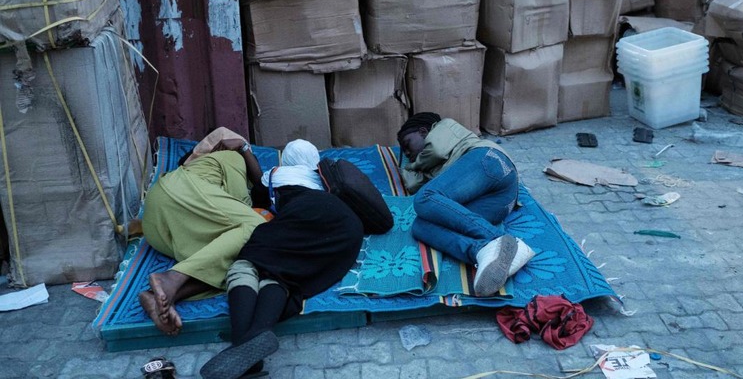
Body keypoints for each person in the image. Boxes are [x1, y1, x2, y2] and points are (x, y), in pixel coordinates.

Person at [200, 140, 365, 379]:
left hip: (307, 215)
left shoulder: (276, 175)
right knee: (282, 273)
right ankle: (252, 352)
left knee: (247, 262)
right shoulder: (323, 177)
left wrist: (245, 151)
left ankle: (247, 341)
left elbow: (256, 193)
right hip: (346, 232)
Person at [138, 137, 270, 335]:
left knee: (237, 260)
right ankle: (170, 277)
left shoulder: (204, 182)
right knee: (257, 227)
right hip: (178, 194)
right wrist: (244, 151)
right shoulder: (229, 157)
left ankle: (164, 294)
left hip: (157, 229)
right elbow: (242, 204)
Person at [397, 112, 535, 297]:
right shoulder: (434, 165)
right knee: (421, 226)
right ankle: (482, 251)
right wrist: (414, 168)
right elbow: (413, 184)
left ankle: (498, 239)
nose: (407, 154)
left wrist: (411, 166)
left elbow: (434, 153)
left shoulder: (443, 127)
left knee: (424, 198)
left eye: (407, 144)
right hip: (500, 201)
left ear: (423, 131)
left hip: (492, 162)